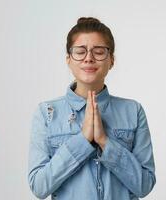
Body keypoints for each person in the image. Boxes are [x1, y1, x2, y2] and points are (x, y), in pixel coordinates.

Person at [28, 17, 156, 200]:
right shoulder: (47, 113)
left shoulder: (133, 111)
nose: (89, 58)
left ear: (111, 60)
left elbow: (145, 185)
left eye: (99, 51)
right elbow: (39, 186)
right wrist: (82, 141)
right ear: (68, 60)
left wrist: (105, 142)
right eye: (80, 51)